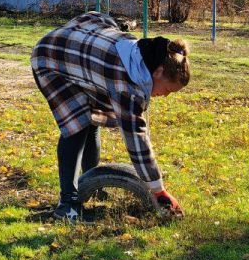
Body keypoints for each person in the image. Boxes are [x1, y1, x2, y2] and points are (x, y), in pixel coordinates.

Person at [31, 11, 190, 222]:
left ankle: (90, 185)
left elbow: (95, 16)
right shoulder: (127, 86)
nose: (165, 96)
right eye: (168, 90)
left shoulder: (144, 54)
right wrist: (158, 190)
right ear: (159, 71)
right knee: (76, 125)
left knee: (93, 120)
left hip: (82, 55)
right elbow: (137, 140)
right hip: (52, 58)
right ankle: (66, 205)